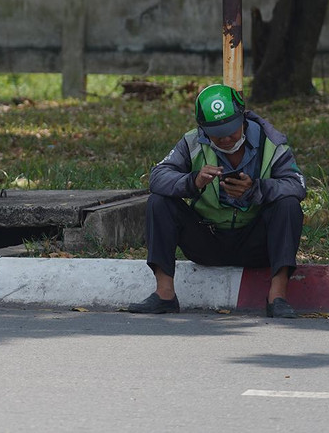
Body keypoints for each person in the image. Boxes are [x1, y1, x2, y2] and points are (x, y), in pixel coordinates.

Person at [127, 83, 307, 318]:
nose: (225, 138)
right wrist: (193, 182)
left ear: (243, 117)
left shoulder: (271, 142)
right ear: (201, 127)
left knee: (289, 204)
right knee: (159, 201)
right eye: (216, 132)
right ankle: (164, 294)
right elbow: (158, 177)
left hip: (256, 243)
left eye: (231, 129)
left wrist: (255, 189)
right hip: (207, 240)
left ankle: (278, 297)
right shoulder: (192, 142)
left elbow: (297, 185)